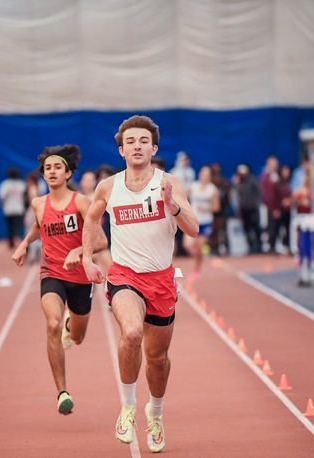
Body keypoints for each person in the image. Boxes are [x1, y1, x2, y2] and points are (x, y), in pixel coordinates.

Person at [82, 115, 199, 453]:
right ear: (121, 150)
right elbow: (91, 219)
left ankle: (156, 413)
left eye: (143, 141)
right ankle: (129, 406)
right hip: (125, 276)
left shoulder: (170, 182)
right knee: (131, 333)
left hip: (161, 280)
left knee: (158, 357)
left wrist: (172, 205)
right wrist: (88, 258)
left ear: (154, 148)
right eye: (130, 141)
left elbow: (193, 229)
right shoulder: (109, 186)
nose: (137, 146)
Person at [11, 145, 107, 416]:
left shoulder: (80, 202)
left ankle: (71, 324)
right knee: (51, 324)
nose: (52, 172)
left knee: (77, 337)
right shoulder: (38, 204)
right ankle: (62, 392)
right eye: (47, 169)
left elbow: (100, 241)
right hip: (51, 273)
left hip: (80, 278)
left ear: (68, 173)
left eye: (57, 168)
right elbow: (37, 226)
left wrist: (79, 251)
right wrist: (24, 244)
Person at [184, 165, 219, 277]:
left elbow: (216, 207)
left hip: (206, 221)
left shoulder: (212, 189)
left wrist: (206, 208)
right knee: (187, 245)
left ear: (210, 176)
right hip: (193, 220)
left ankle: (197, 267)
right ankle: (200, 256)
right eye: (202, 174)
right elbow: (183, 198)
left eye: (207, 174)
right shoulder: (193, 186)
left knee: (199, 246)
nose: (204, 176)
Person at [0, 167, 26, 248]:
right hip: (19, 209)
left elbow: (1, 197)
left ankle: (11, 243)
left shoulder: (5, 184)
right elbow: (25, 197)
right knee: (20, 227)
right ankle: (24, 244)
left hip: (8, 209)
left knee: (10, 227)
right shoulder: (21, 184)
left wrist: (3, 205)